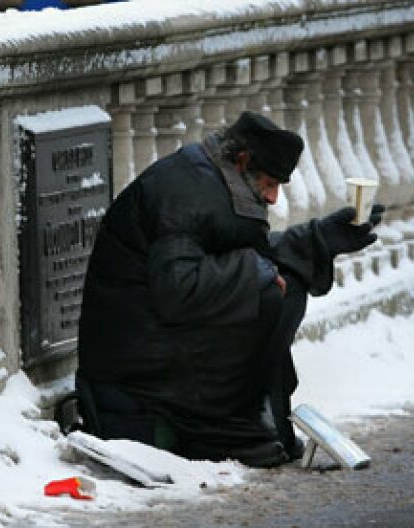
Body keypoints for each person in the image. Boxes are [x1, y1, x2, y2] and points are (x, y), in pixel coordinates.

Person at [75, 111, 383, 467]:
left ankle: (249, 419)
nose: (272, 198)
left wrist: (317, 240)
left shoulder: (217, 182)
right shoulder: (186, 193)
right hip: (139, 362)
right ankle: (224, 430)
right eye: (269, 183)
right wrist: (257, 272)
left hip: (162, 338)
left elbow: (237, 257)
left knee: (289, 279)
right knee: (268, 292)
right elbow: (179, 289)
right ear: (242, 161)